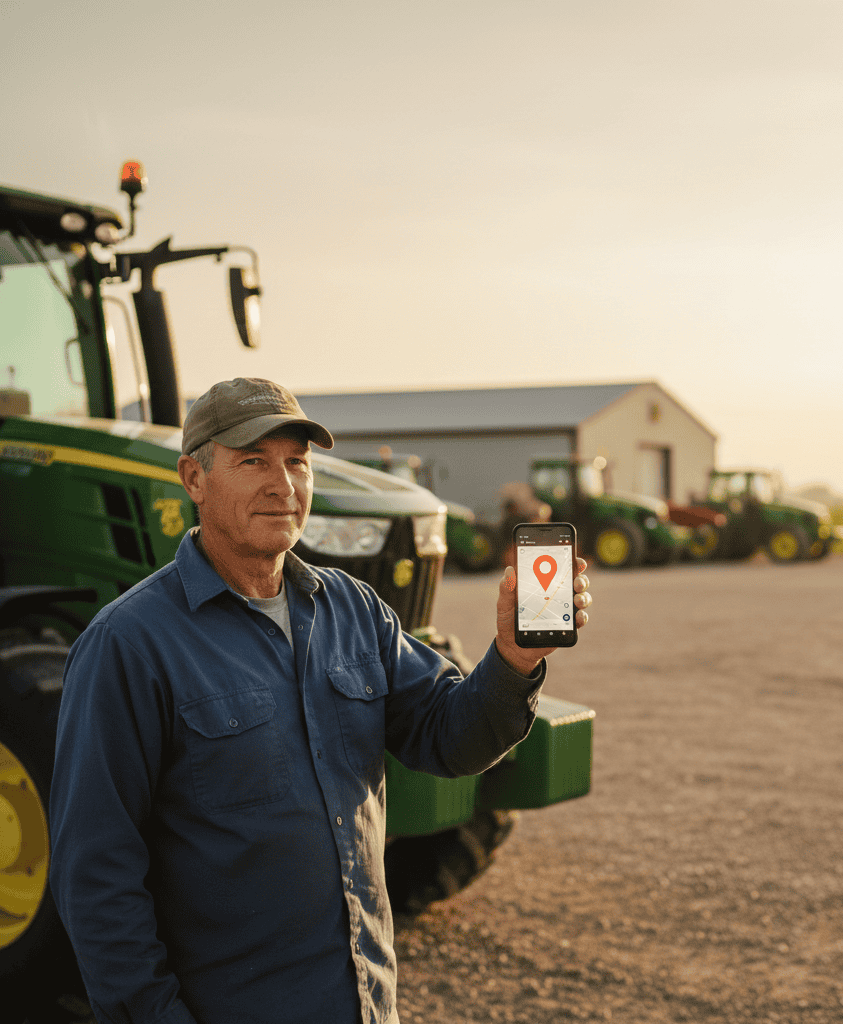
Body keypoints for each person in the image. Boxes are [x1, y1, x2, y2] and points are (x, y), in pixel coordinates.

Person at [49, 377, 592, 1024]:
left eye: (296, 462)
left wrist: (515, 657)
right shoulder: (128, 644)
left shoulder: (353, 609)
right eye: (253, 461)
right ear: (194, 478)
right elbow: (96, 877)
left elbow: (451, 738)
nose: (283, 485)